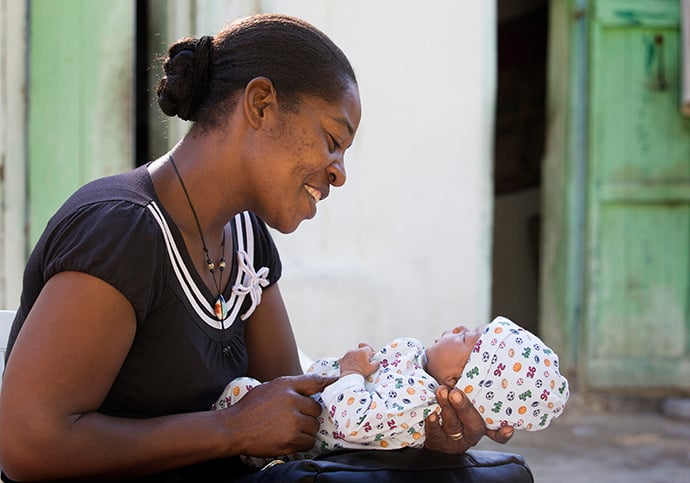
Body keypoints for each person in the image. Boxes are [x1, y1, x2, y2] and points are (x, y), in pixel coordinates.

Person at [0, 13, 512, 483]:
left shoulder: (245, 240)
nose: (339, 171)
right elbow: (27, 444)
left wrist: (429, 439)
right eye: (332, 139)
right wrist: (230, 430)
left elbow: (302, 424)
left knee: (486, 474)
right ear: (261, 104)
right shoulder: (123, 231)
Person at [216, 316, 568, 467]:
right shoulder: (417, 366)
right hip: (295, 399)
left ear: (458, 383)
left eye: (465, 337)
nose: (458, 326)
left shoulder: (418, 404)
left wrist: (352, 372)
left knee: (237, 393)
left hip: (290, 436)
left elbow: (354, 422)